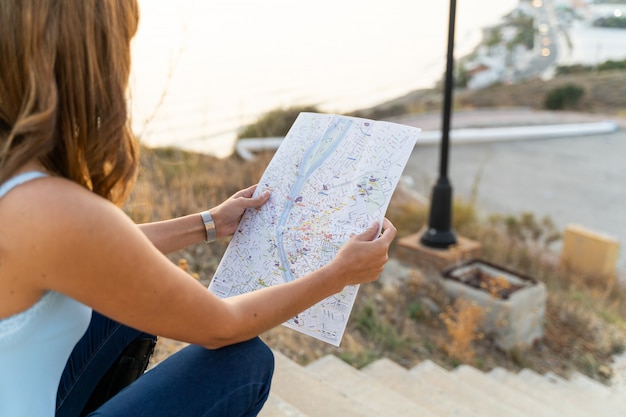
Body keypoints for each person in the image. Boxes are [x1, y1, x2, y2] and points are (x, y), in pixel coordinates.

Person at [0, 1, 397, 416]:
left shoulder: (22, 186)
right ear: (88, 61)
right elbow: (222, 328)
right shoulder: (47, 207)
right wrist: (337, 275)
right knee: (244, 362)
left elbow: (97, 250)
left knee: (136, 300)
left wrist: (207, 223)